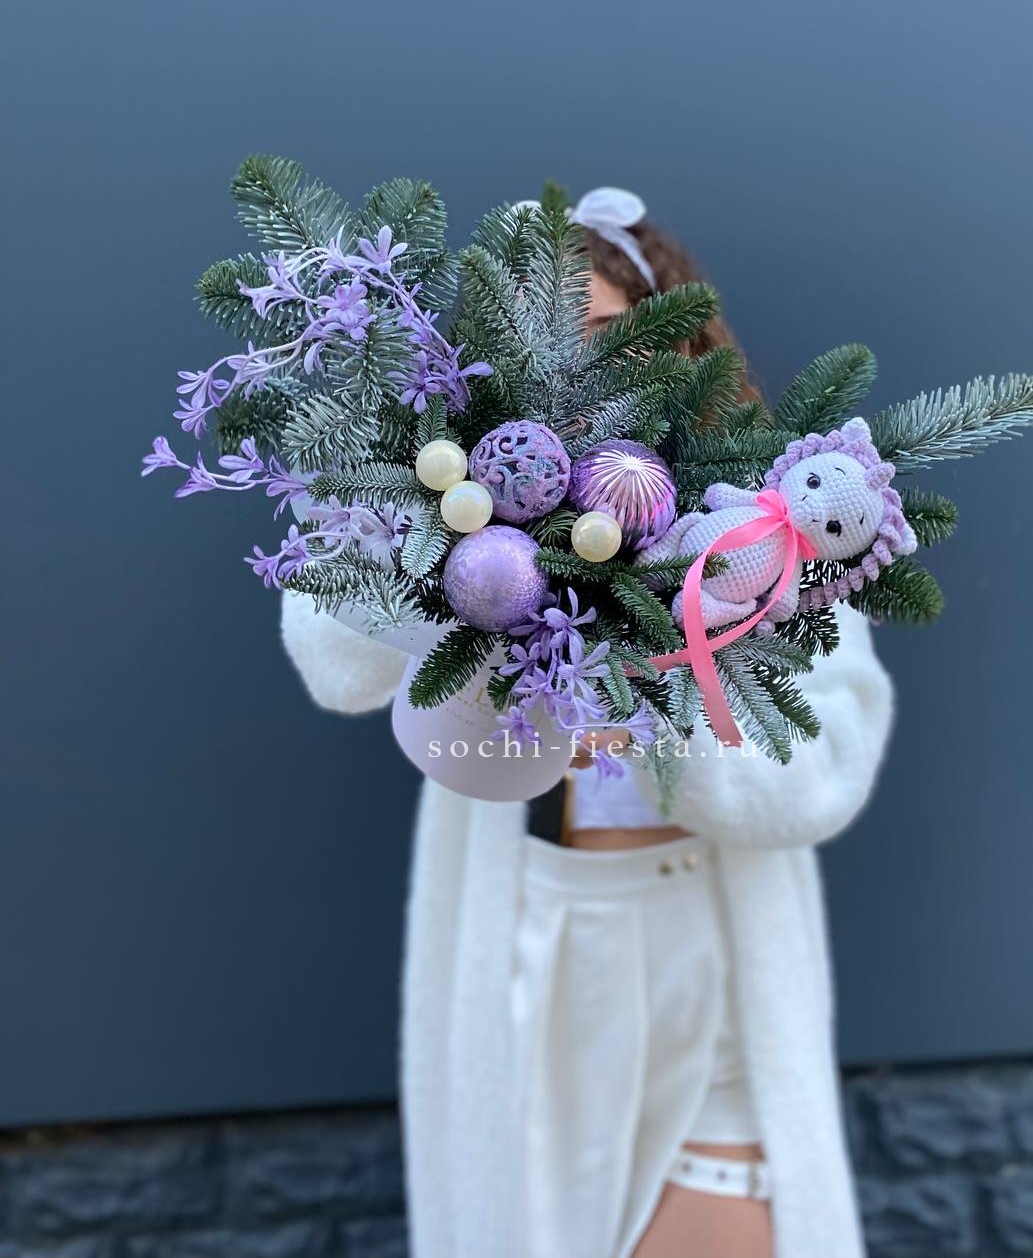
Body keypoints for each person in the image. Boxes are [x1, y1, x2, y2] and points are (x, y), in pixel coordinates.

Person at [279, 191, 894, 1258]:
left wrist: (663, 698)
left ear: (677, 339)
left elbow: (822, 776)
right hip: (529, 949)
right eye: (543, 338)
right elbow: (337, 666)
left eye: (611, 332)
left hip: (704, 953)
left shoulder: (765, 526)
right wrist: (428, 530)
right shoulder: (465, 513)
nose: (580, 366)